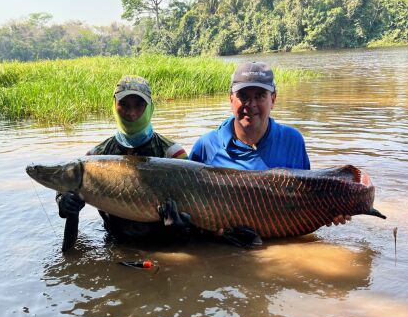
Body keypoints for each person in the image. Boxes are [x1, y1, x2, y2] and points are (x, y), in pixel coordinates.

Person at [190, 61, 350, 228]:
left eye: (260, 96)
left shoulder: (292, 141)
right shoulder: (206, 147)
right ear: (231, 98)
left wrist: (332, 208)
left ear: (273, 99)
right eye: (243, 96)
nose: (251, 104)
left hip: (283, 234)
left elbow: (308, 196)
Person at [56, 75, 191, 240]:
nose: (132, 113)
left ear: (151, 108)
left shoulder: (174, 154)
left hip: (163, 243)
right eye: (124, 105)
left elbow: (199, 205)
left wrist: (184, 225)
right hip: (114, 241)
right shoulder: (95, 156)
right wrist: (62, 200)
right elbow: (67, 185)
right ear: (114, 106)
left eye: (139, 105)